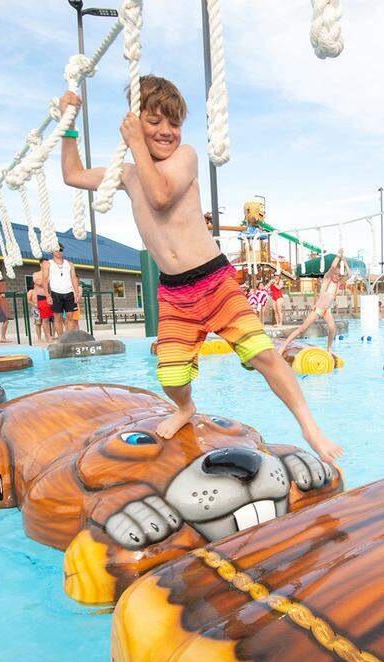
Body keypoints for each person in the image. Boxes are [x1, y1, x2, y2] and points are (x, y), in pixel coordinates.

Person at [58, 76, 341, 462]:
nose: (166, 132)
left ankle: (310, 426)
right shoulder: (127, 173)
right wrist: (68, 124)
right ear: (136, 120)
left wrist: (137, 144)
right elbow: (72, 175)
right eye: (155, 121)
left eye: (173, 124)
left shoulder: (185, 157)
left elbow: (159, 197)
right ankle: (185, 408)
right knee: (171, 376)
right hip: (174, 292)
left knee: (263, 354)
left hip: (213, 279)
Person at [278, 252, 346, 356]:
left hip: (326, 311)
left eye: (338, 274)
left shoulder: (338, 284)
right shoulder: (327, 279)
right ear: (332, 274)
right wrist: (338, 256)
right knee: (302, 329)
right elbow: (332, 267)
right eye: (335, 274)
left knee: (332, 328)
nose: (337, 276)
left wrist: (344, 260)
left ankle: (329, 348)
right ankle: (284, 344)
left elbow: (349, 274)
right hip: (318, 309)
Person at [41, 246, 81, 336]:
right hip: (55, 293)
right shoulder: (47, 263)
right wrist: (47, 295)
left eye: (60, 250)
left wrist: (77, 293)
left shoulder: (69, 264)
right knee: (57, 317)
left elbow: (74, 278)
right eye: (56, 250)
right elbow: (45, 279)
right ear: (52, 252)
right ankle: (61, 338)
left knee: (70, 317)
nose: (58, 252)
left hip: (69, 293)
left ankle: (69, 337)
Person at [28, 272, 54, 343]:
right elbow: (28, 300)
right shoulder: (31, 291)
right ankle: (39, 338)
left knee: (48, 320)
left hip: (44, 304)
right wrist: (34, 304)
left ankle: (49, 336)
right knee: (38, 323)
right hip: (36, 308)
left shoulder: (43, 291)